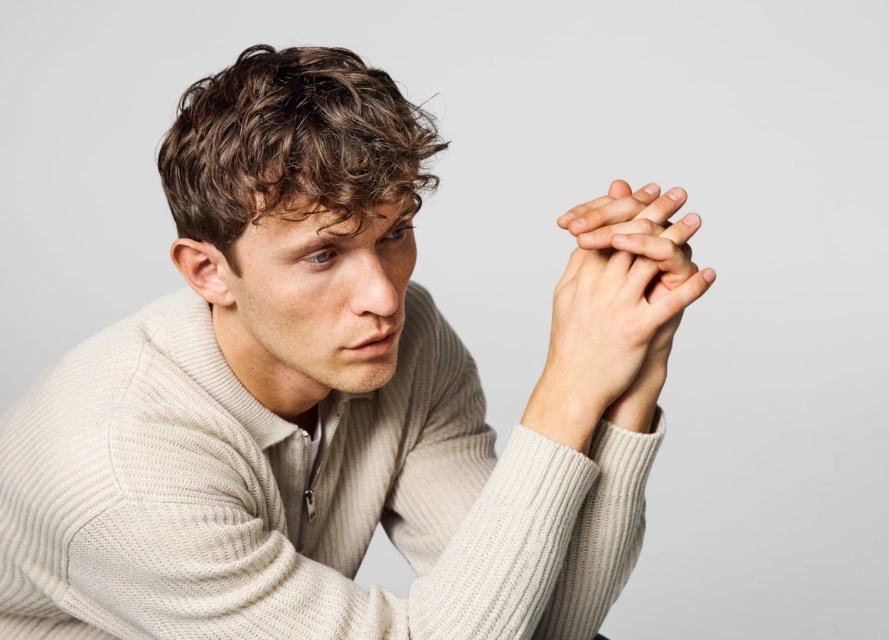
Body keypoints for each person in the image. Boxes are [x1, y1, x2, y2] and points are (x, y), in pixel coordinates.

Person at [0, 44, 714, 639]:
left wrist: (635, 368)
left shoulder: (409, 343)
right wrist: (568, 386)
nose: (384, 297)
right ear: (208, 272)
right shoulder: (120, 471)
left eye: (394, 233)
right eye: (322, 255)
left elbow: (541, 620)